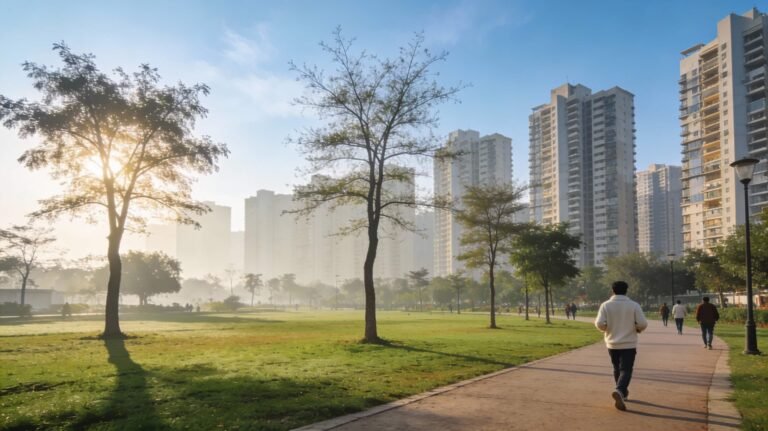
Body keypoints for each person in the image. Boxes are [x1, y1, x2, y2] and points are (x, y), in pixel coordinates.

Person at [595, 281, 648, 411]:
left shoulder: (605, 305)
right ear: (626, 290)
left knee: (616, 368)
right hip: (629, 343)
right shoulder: (633, 305)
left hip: (612, 343)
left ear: (612, 290)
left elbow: (599, 323)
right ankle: (620, 390)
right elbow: (642, 323)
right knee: (626, 369)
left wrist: (607, 329)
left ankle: (622, 392)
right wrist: (636, 328)